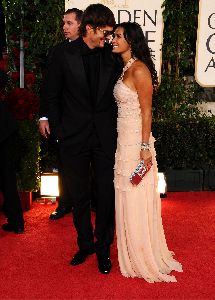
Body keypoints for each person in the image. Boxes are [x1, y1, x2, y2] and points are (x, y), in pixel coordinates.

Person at [45, 4, 119, 274]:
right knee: (79, 197)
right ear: (90, 28)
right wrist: (59, 131)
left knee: (105, 194)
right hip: (72, 137)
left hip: (103, 138)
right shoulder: (62, 54)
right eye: (105, 32)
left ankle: (103, 249)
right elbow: (52, 95)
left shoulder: (112, 56)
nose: (108, 37)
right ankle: (85, 244)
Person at [112, 22, 182, 282]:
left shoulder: (139, 69)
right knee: (128, 195)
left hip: (136, 145)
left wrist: (144, 148)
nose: (113, 40)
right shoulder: (127, 68)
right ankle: (132, 252)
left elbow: (147, 111)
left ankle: (142, 255)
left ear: (131, 41)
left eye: (118, 36)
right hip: (124, 141)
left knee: (136, 196)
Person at [39, 8, 83, 220]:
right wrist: (44, 116)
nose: (64, 27)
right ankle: (65, 203)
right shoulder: (57, 51)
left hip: (86, 119)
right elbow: (48, 87)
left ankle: (89, 200)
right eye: (64, 23)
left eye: (69, 23)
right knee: (64, 163)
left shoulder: (94, 50)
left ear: (81, 25)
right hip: (63, 119)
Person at [0, 70, 24, 234]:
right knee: (8, 179)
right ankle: (17, 223)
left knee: (7, 179)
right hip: (5, 129)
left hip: (5, 131)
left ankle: (16, 222)